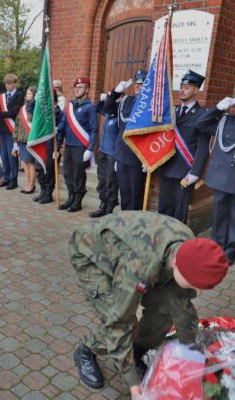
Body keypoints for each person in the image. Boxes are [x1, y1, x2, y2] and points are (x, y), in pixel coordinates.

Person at [69, 211, 229, 398]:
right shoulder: (138, 265)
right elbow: (119, 321)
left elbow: (180, 301)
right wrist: (131, 379)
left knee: (165, 312)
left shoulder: (190, 248)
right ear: (177, 264)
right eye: (193, 285)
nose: (197, 292)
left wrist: (191, 350)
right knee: (126, 323)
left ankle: (136, 352)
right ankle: (86, 350)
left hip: (133, 252)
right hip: (92, 254)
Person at [158, 70, 209, 223]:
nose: (182, 90)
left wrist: (195, 172)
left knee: (179, 213)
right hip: (166, 166)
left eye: (187, 87)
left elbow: (203, 147)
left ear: (196, 91)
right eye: (181, 86)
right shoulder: (172, 112)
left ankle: (177, 242)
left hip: (184, 171)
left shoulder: (202, 114)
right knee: (164, 208)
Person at [194, 96, 235, 265]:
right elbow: (200, 124)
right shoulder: (224, 120)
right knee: (219, 213)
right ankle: (216, 246)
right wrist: (217, 108)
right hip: (222, 177)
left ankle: (231, 251)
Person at [104, 70, 148, 210]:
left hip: (138, 157)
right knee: (125, 194)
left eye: (142, 84)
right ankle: (126, 221)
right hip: (122, 155)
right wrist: (116, 92)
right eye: (137, 84)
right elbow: (108, 108)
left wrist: (148, 158)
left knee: (136, 195)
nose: (138, 87)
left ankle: (135, 226)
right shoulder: (126, 101)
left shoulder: (150, 106)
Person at [57, 77, 98, 212]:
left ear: (87, 90)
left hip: (81, 147)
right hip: (69, 145)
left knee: (78, 174)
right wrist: (57, 147)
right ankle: (70, 197)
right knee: (68, 173)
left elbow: (94, 129)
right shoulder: (69, 106)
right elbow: (62, 125)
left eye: (80, 87)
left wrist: (90, 148)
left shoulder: (90, 107)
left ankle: (78, 201)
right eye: (76, 87)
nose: (77, 89)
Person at [89, 92, 119, 217]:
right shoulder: (108, 113)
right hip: (103, 151)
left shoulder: (119, 117)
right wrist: (101, 100)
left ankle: (110, 207)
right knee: (102, 179)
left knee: (111, 181)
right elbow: (98, 109)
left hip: (113, 154)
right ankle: (103, 204)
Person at [33, 89, 64, 204]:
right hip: (42, 144)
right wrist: (35, 101)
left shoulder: (59, 113)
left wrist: (58, 148)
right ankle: (42, 191)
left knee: (50, 172)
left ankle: (48, 194)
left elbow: (61, 132)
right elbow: (31, 112)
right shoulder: (42, 112)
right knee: (40, 170)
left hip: (52, 147)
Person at [0, 74, 25, 190]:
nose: (8, 85)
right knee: (4, 156)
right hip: (2, 129)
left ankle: (14, 180)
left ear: (16, 83)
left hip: (13, 129)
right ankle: (6, 178)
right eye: (6, 83)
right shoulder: (2, 97)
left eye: (10, 83)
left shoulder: (19, 96)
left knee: (12, 155)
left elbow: (14, 112)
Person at [13, 86, 37, 194]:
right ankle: (27, 183)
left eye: (30, 94)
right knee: (24, 163)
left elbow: (34, 122)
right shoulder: (23, 108)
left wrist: (32, 108)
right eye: (27, 93)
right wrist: (16, 139)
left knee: (30, 163)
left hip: (30, 139)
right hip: (22, 139)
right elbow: (17, 124)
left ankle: (31, 185)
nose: (27, 96)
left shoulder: (36, 108)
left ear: (35, 95)